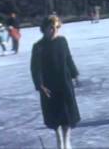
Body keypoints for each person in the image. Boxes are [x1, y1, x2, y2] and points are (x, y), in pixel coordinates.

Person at [31, 15, 80, 149]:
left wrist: (75, 74)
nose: (54, 30)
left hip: (64, 83)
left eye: (57, 27)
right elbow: (36, 68)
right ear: (45, 29)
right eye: (51, 28)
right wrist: (40, 85)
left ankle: (67, 140)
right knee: (54, 115)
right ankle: (59, 140)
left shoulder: (62, 41)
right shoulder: (38, 47)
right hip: (49, 86)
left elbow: (68, 58)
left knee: (67, 113)